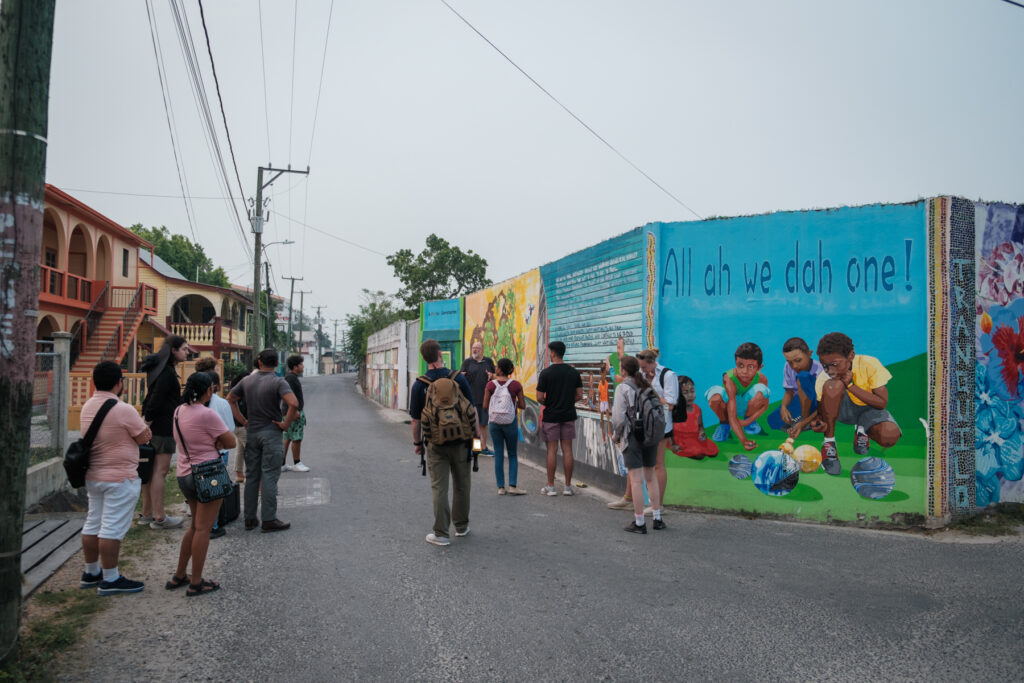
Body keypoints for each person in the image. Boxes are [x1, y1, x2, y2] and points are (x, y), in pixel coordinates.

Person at [79, 361, 152, 595]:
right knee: (111, 528)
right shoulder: (123, 409)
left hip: (93, 475)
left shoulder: (88, 406)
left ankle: (91, 572)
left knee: (93, 522)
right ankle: (110, 578)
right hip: (119, 477)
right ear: (119, 383)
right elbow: (143, 438)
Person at [791, 332, 902, 475]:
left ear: (851, 356)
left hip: (870, 410)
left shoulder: (870, 364)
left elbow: (881, 403)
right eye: (825, 366)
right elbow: (821, 409)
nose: (829, 370)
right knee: (833, 385)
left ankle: (862, 430)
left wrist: (850, 385)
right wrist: (817, 422)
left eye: (835, 364)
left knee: (889, 436)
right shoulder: (824, 379)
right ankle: (829, 445)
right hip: (843, 411)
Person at [166, 372, 236, 597]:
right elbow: (231, 442)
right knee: (204, 529)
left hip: (185, 473)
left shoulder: (178, 411)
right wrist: (215, 441)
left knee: (195, 526)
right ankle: (196, 582)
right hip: (207, 474)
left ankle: (180, 575)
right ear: (208, 391)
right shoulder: (207, 414)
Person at [410, 339, 476, 547]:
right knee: (462, 484)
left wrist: (417, 444)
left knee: (439, 487)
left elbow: (415, 420)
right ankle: (462, 526)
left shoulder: (419, 384)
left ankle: (440, 533)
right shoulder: (458, 378)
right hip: (463, 442)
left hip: (436, 444)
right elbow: (472, 411)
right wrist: (477, 445)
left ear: (424, 358)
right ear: (440, 354)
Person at [228, 349, 299, 533]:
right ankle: (268, 519)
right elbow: (294, 403)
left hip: (252, 432)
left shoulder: (246, 381)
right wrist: (285, 424)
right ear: (277, 364)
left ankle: (250, 519)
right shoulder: (278, 381)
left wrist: (243, 420)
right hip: (271, 433)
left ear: (259, 363)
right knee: (269, 476)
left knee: (252, 476)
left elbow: (230, 398)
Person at [138, 335, 189, 530]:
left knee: (149, 472)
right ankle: (160, 517)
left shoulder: (159, 370)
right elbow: (156, 400)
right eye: (184, 349)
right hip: (162, 427)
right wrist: (147, 423)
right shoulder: (167, 373)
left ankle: (147, 513)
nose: (186, 352)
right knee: (160, 471)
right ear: (173, 350)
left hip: (155, 426)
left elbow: (151, 398)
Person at [612, 356, 664, 534]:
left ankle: (640, 522)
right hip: (650, 435)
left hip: (632, 436)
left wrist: (616, 436)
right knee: (650, 476)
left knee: (635, 479)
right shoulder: (647, 385)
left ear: (624, 371)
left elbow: (619, 419)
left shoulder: (623, 388)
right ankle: (657, 518)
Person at [536, 341, 583, 496]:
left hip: (551, 416)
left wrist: (550, 402)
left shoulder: (546, 373)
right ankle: (568, 487)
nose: (549, 354)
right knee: (567, 450)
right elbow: (579, 395)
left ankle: (551, 486)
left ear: (553, 353)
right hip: (568, 414)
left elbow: (539, 397)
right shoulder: (573, 373)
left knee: (552, 450)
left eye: (550, 351)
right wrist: (568, 402)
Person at [705, 342, 771, 452]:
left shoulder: (762, 379)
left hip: (747, 407)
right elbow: (732, 412)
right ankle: (724, 424)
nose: (744, 371)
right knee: (715, 398)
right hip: (729, 406)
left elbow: (765, 405)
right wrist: (744, 440)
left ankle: (750, 425)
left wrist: (747, 421)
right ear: (735, 362)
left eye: (750, 367)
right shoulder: (729, 378)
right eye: (740, 365)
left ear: (760, 367)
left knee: (762, 391)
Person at [194, 359, 234, 539]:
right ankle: (213, 525)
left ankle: (198, 522)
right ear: (216, 385)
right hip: (219, 453)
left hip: (195, 454)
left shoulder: (187, 408)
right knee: (214, 490)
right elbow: (230, 429)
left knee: (198, 488)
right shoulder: (222, 404)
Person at [636, 348, 676, 515]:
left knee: (658, 464)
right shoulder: (643, 375)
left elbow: (670, 403)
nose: (642, 371)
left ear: (652, 362)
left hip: (661, 425)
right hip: (644, 424)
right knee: (647, 464)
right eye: (641, 368)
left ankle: (657, 506)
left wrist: (649, 390)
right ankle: (651, 502)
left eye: (645, 367)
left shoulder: (667, 375)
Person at [482, 358, 527, 496]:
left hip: (494, 423)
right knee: (512, 454)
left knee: (498, 453)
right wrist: (513, 403)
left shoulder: (490, 385)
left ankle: (501, 487)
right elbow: (523, 406)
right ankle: (513, 486)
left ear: (499, 369)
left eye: (496, 367)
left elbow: (484, 406)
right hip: (510, 422)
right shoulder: (516, 385)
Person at [766, 337, 825, 434]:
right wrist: (784, 407)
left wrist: (804, 421)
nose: (794, 366)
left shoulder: (820, 370)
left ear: (809, 354)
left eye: (798, 360)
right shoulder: (787, 367)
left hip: (817, 402)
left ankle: (805, 421)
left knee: (803, 376)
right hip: (801, 401)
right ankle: (805, 421)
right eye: (790, 362)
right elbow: (789, 391)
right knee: (772, 420)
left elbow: (824, 404)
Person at [669, 376, 718, 459]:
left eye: (692, 391)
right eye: (685, 392)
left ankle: (696, 448)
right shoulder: (674, 410)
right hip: (679, 438)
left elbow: (700, 426)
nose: (690, 395)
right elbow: (668, 430)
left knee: (713, 450)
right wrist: (672, 444)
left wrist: (702, 433)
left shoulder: (697, 409)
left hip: (694, 437)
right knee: (698, 454)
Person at [460, 341, 496, 454]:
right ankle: (476, 448)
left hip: (485, 399)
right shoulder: (467, 362)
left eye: (477, 348)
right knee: (474, 424)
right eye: (473, 348)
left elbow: (496, 376)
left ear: (482, 350)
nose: (474, 350)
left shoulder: (488, 361)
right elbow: (460, 378)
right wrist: (461, 376)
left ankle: (484, 447)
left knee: (483, 424)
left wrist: (492, 376)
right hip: (471, 400)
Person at [282, 355, 310, 472]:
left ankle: (281, 463)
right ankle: (297, 462)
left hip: (288, 412)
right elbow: (289, 397)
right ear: (295, 367)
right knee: (296, 438)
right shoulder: (291, 378)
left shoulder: (290, 377)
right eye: (301, 364)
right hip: (293, 412)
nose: (303, 366)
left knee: (287, 437)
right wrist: (294, 412)